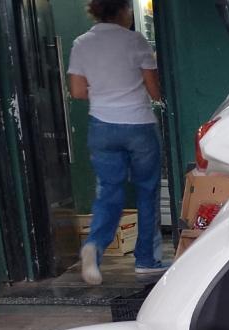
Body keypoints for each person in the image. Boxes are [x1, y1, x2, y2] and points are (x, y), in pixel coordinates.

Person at [68, 0, 166, 285]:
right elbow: (154, 90)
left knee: (108, 191)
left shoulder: (81, 43)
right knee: (147, 191)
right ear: (122, 11)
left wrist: (104, 93)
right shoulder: (135, 40)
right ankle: (146, 260)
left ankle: (94, 246)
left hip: (102, 126)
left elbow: (77, 91)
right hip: (138, 125)